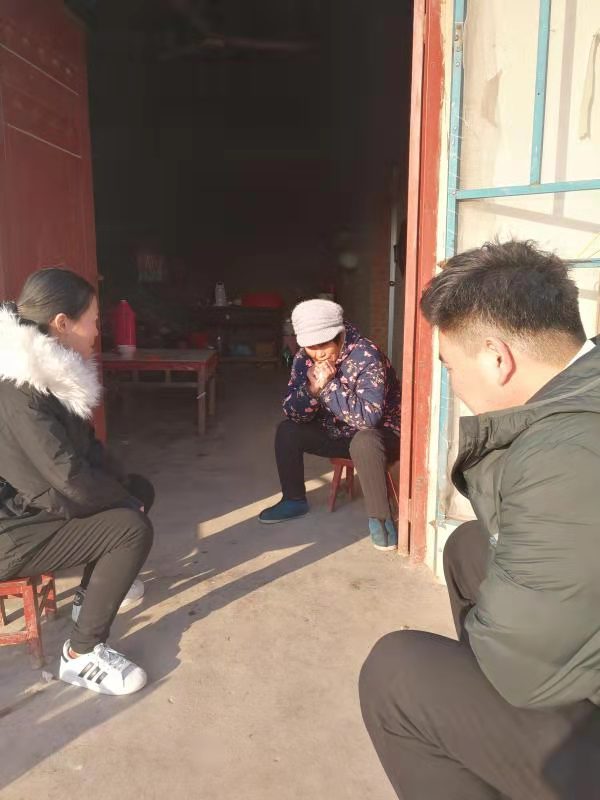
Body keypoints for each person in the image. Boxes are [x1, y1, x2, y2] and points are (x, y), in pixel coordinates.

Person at [359, 240, 600, 799]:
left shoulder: (566, 454)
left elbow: (523, 671)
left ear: (496, 358)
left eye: (448, 366)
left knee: (396, 673)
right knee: (468, 546)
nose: (451, 381)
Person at [0, 268, 154, 696]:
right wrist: (122, 504)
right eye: (94, 321)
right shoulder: (18, 391)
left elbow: (85, 451)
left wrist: (124, 489)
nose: (98, 332)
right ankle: (81, 653)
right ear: (62, 323)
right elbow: (65, 477)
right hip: (9, 530)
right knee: (130, 528)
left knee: (138, 490)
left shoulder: (47, 377)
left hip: (33, 506)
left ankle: (91, 595)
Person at [259, 299, 401, 551]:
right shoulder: (303, 359)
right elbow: (293, 412)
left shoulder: (367, 355)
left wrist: (328, 386)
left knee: (364, 441)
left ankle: (381, 521)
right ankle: (293, 500)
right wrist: (312, 391)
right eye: (311, 347)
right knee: (287, 431)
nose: (319, 353)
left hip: (380, 436)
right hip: (337, 432)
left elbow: (369, 418)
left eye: (324, 344)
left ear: (339, 334)